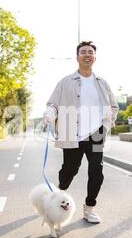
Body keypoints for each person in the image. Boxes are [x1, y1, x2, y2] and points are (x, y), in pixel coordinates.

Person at [43, 41, 119, 224]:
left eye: (90, 52)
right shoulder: (65, 82)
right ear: (77, 57)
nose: (87, 54)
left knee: (96, 170)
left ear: (94, 57)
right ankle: (58, 196)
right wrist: (49, 115)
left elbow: (114, 106)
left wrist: (109, 117)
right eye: (83, 52)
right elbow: (52, 103)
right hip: (71, 131)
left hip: (96, 132)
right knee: (69, 171)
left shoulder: (102, 83)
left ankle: (89, 208)